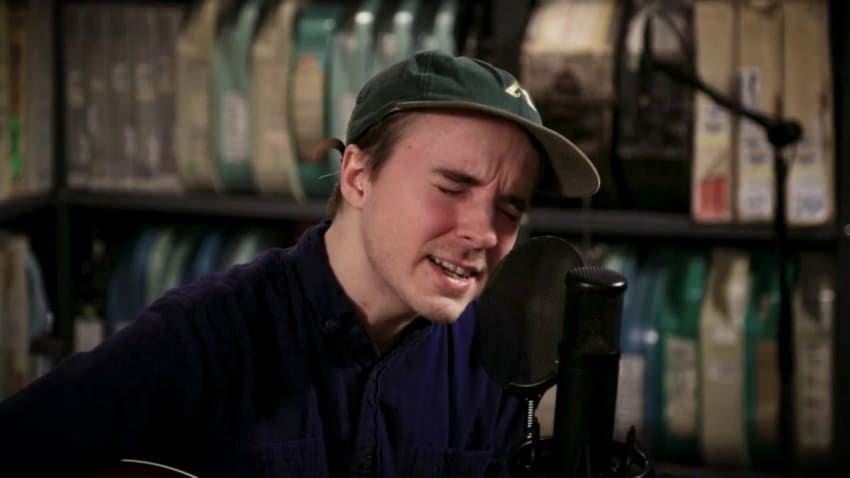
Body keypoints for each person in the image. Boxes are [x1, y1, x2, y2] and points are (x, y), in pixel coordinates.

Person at [0, 50, 599, 477]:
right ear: (358, 176)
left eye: (509, 208)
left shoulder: (492, 363)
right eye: (452, 186)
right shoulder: (205, 338)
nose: (484, 233)